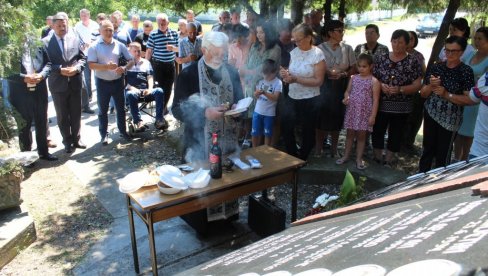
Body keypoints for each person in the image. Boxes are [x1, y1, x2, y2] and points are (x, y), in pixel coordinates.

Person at [172, 31, 243, 162]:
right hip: (198, 144)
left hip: (228, 143)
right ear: (204, 50)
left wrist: (237, 109)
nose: (220, 58)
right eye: (215, 53)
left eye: (223, 54)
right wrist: (204, 113)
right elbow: (176, 109)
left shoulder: (232, 72)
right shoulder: (188, 74)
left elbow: (239, 100)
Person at [419, 36, 475, 172]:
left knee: (443, 153)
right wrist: (431, 86)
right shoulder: (436, 67)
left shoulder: (466, 71)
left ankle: (439, 183)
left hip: (451, 119)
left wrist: (447, 94)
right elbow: (423, 94)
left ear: (461, 52)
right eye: (447, 50)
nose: (449, 54)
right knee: (427, 148)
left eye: (454, 51)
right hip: (431, 113)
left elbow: (469, 100)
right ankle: (420, 177)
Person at [372, 29, 423, 167]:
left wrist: (401, 89)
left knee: (396, 133)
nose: (397, 45)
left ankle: (389, 159)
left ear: (407, 44)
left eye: (400, 42)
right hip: (380, 103)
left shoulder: (413, 61)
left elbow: (417, 84)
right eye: (394, 41)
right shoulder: (382, 58)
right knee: (378, 130)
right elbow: (373, 77)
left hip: (401, 106)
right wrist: (381, 85)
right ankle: (377, 157)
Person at [280, 24, 326, 160]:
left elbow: (319, 81)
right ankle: (292, 155)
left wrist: (296, 79)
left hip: (310, 99)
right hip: (292, 96)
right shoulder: (294, 52)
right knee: (286, 127)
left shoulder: (317, 54)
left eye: (299, 39)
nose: (297, 42)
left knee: (308, 131)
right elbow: (291, 71)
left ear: (309, 38)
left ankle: (303, 157)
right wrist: (285, 74)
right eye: (295, 40)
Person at [43, 14, 87, 154]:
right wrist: (59, 69)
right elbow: (45, 64)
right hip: (58, 84)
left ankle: (77, 138)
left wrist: (77, 68)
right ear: (53, 25)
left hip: (75, 82)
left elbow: (82, 58)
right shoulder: (45, 42)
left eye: (65, 25)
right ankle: (67, 141)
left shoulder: (74, 38)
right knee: (62, 116)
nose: (63, 28)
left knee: (76, 113)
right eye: (59, 26)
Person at [8, 42, 57, 161]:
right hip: (20, 92)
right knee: (25, 125)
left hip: (39, 89)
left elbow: (48, 64)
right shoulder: (9, 46)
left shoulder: (38, 45)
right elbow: (5, 70)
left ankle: (44, 152)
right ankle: (26, 157)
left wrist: (41, 75)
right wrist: (23, 77)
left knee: (41, 121)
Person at [88, 19, 134, 145]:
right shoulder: (94, 46)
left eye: (111, 30)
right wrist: (105, 67)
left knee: (121, 108)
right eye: (106, 30)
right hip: (102, 82)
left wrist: (124, 68)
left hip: (117, 82)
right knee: (103, 110)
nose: (109, 32)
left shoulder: (119, 45)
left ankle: (123, 131)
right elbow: (91, 65)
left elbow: (131, 60)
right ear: (100, 31)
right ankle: (104, 135)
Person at [316, 20, 356, 158]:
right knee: (321, 118)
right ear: (331, 33)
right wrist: (327, 72)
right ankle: (318, 149)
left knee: (337, 118)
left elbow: (354, 67)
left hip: (341, 86)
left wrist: (344, 74)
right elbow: (315, 66)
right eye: (339, 30)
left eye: (342, 30)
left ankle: (334, 149)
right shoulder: (320, 48)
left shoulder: (348, 48)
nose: (341, 33)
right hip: (324, 85)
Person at [336, 53, 380, 170]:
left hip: (364, 113)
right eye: (359, 66)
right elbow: (347, 91)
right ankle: (346, 156)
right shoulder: (353, 78)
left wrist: (373, 116)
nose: (361, 68)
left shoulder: (374, 81)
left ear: (371, 66)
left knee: (361, 136)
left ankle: (358, 159)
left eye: (364, 66)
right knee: (349, 134)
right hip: (352, 111)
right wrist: (346, 97)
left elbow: (376, 100)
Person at [241, 21, 281, 143]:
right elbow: (246, 64)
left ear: (268, 33)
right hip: (250, 86)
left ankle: (267, 146)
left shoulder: (275, 49)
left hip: (267, 87)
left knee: (266, 117)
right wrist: (246, 73)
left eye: (262, 32)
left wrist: (248, 72)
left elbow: (264, 69)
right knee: (250, 116)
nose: (259, 35)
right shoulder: (254, 46)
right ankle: (251, 141)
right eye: (257, 32)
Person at [454, 27, 488, 161]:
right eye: (475, 38)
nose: (476, 41)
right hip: (463, 96)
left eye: (480, 39)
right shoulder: (471, 54)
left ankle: (465, 160)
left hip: (476, 101)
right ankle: (456, 159)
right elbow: (459, 67)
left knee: (470, 133)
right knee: (459, 132)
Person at [125, 42, 166, 130]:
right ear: (130, 52)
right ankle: (138, 121)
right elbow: (123, 81)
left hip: (145, 90)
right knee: (131, 94)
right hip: (132, 89)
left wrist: (150, 89)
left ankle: (159, 119)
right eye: (134, 51)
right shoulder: (126, 64)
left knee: (159, 91)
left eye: (139, 51)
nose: (137, 53)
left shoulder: (146, 62)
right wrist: (132, 88)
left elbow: (150, 77)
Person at [146, 13, 179, 114]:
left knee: (168, 88)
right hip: (158, 65)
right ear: (157, 23)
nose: (162, 25)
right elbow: (149, 50)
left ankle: (163, 108)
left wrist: (173, 48)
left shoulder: (174, 33)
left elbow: (179, 49)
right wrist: (146, 65)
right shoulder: (153, 34)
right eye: (160, 24)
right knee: (159, 88)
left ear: (168, 23)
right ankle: (160, 110)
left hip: (170, 65)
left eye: (164, 24)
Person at [403, 30, 427, 151]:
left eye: (411, 39)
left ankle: (409, 142)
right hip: (399, 92)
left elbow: (424, 73)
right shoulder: (398, 54)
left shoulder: (418, 56)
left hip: (414, 93)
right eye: (407, 38)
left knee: (414, 118)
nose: (409, 41)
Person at [251, 59, 282, 147]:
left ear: (275, 72)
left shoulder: (278, 82)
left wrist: (264, 92)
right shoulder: (260, 80)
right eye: (264, 74)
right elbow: (256, 96)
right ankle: (254, 149)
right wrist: (256, 94)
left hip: (269, 113)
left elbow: (275, 98)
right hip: (258, 111)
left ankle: (266, 150)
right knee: (254, 132)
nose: (266, 76)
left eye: (268, 74)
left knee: (267, 133)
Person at [74, 8, 99, 114]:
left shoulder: (95, 25)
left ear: (89, 15)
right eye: (82, 15)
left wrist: (91, 43)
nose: (83, 17)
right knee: (87, 78)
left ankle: (100, 96)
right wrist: (82, 45)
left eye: (85, 15)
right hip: (84, 54)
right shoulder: (77, 26)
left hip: (95, 54)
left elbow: (99, 37)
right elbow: (76, 39)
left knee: (97, 76)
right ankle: (88, 98)